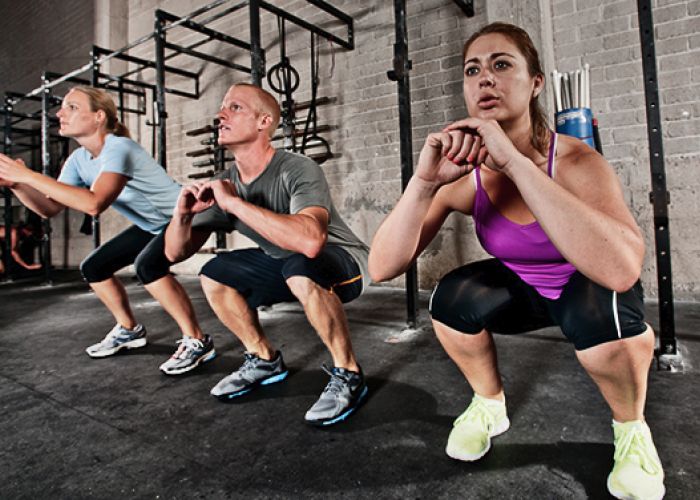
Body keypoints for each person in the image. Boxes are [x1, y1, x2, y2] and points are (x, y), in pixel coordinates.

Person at [369, 22, 664, 500]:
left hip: (585, 283)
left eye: (501, 64)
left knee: (603, 319)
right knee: (449, 298)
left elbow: (621, 269)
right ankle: (489, 404)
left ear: (535, 83)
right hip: (526, 287)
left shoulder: (574, 161)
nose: (485, 78)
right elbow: (382, 267)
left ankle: (632, 431)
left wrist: (515, 163)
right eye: (473, 70)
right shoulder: (464, 176)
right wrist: (424, 184)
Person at [164, 82, 369, 426]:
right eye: (222, 108)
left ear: (263, 122)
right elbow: (174, 253)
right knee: (215, 271)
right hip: (287, 265)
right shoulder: (225, 182)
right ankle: (263, 360)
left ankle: (348, 373)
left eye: (235, 108)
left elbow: (311, 242)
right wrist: (182, 214)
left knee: (301, 264)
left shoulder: (297, 168)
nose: (220, 115)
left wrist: (234, 204)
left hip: (344, 263)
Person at [0, 86, 214, 375]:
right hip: (151, 226)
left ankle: (198, 341)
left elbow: (94, 203)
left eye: (72, 107)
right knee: (94, 266)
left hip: (187, 216)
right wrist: (17, 184)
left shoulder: (119, 147)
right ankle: (129, 330)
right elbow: (50, 208)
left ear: (99, 116)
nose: (60, 113)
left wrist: (27, 175)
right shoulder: (78, 160)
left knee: (148, 265)